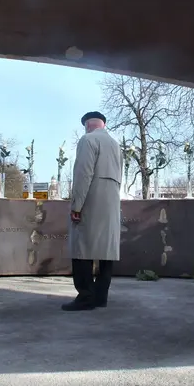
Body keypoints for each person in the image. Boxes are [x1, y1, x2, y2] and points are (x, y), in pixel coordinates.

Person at [64, 111, 123, 311]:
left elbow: (83, 174)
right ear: (103, 124)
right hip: (112, 203)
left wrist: (76, 206)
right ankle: (100, 297)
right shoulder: (116, 145)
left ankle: (85, 296)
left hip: (91, 200)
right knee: (107, 251)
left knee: (82, 248)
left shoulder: (87, 140)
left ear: (87, 125)